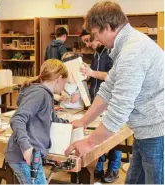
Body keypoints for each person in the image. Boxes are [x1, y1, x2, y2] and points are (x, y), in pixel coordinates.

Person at [65, 1, 164, 184]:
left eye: (95, 34)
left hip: (157, 132)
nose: (96, 41)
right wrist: (84, 121)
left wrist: (89, 143)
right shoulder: (125, 47)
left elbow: (120, 107)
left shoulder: (132, 51)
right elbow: (108, 89)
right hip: (145, 130)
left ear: (108, 27)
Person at [5, 59, 69, 184]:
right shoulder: (40, 93)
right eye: (65, 82)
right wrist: (26, 147)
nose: (65, 86)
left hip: (31, 153)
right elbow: (18, 119)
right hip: (24, 154)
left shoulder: (45, 94)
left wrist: (69, 124)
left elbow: (50, 117)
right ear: (59, 78)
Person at [81, 31, 121, 183]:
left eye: (87, 41)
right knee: (99, 134)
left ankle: (113, 169)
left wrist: (92, 72)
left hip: (109, 101)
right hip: (96, 100)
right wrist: (86, 73)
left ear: (95, 36)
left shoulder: (110, 52)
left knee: (112, 136)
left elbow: (111, 76)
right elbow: (94, 75)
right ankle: (99, 166)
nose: (87, 45)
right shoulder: (96, 54)